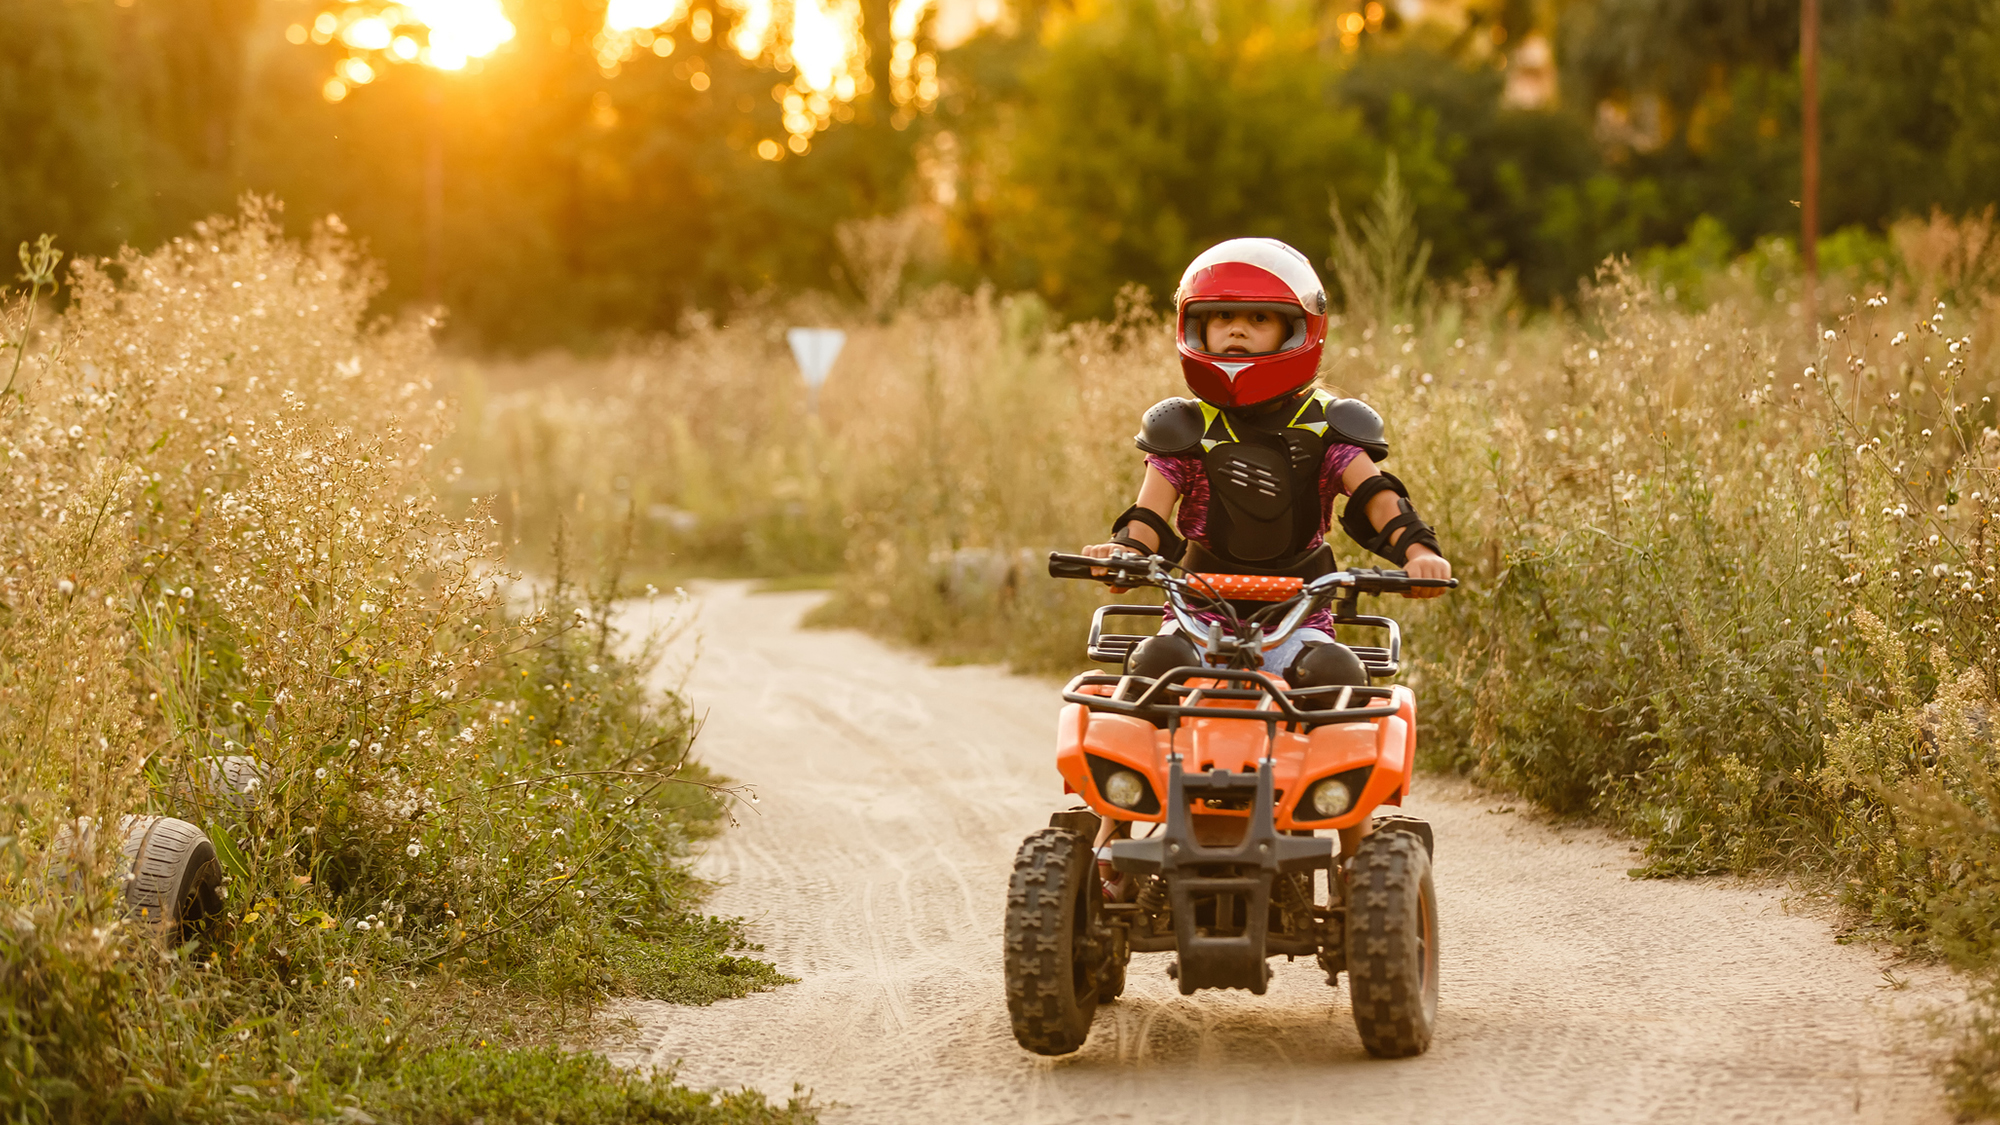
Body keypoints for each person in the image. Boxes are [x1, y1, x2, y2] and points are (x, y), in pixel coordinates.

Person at [1080, 237, 1451, 868]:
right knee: (1151, 665)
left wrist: (1418, 550)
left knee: (1338, 681)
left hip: (1301, 615)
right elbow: (1149, 513)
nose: (1236, 333)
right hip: (1197, 613)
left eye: (1258, 318)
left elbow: (1377, 497)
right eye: (1221, 318)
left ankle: (1360, 864)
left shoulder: (1331, 425)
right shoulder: (1183, 428)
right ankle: (1104, 856)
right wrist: (1122, 554)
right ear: (1194, 326)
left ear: (1298, 330)